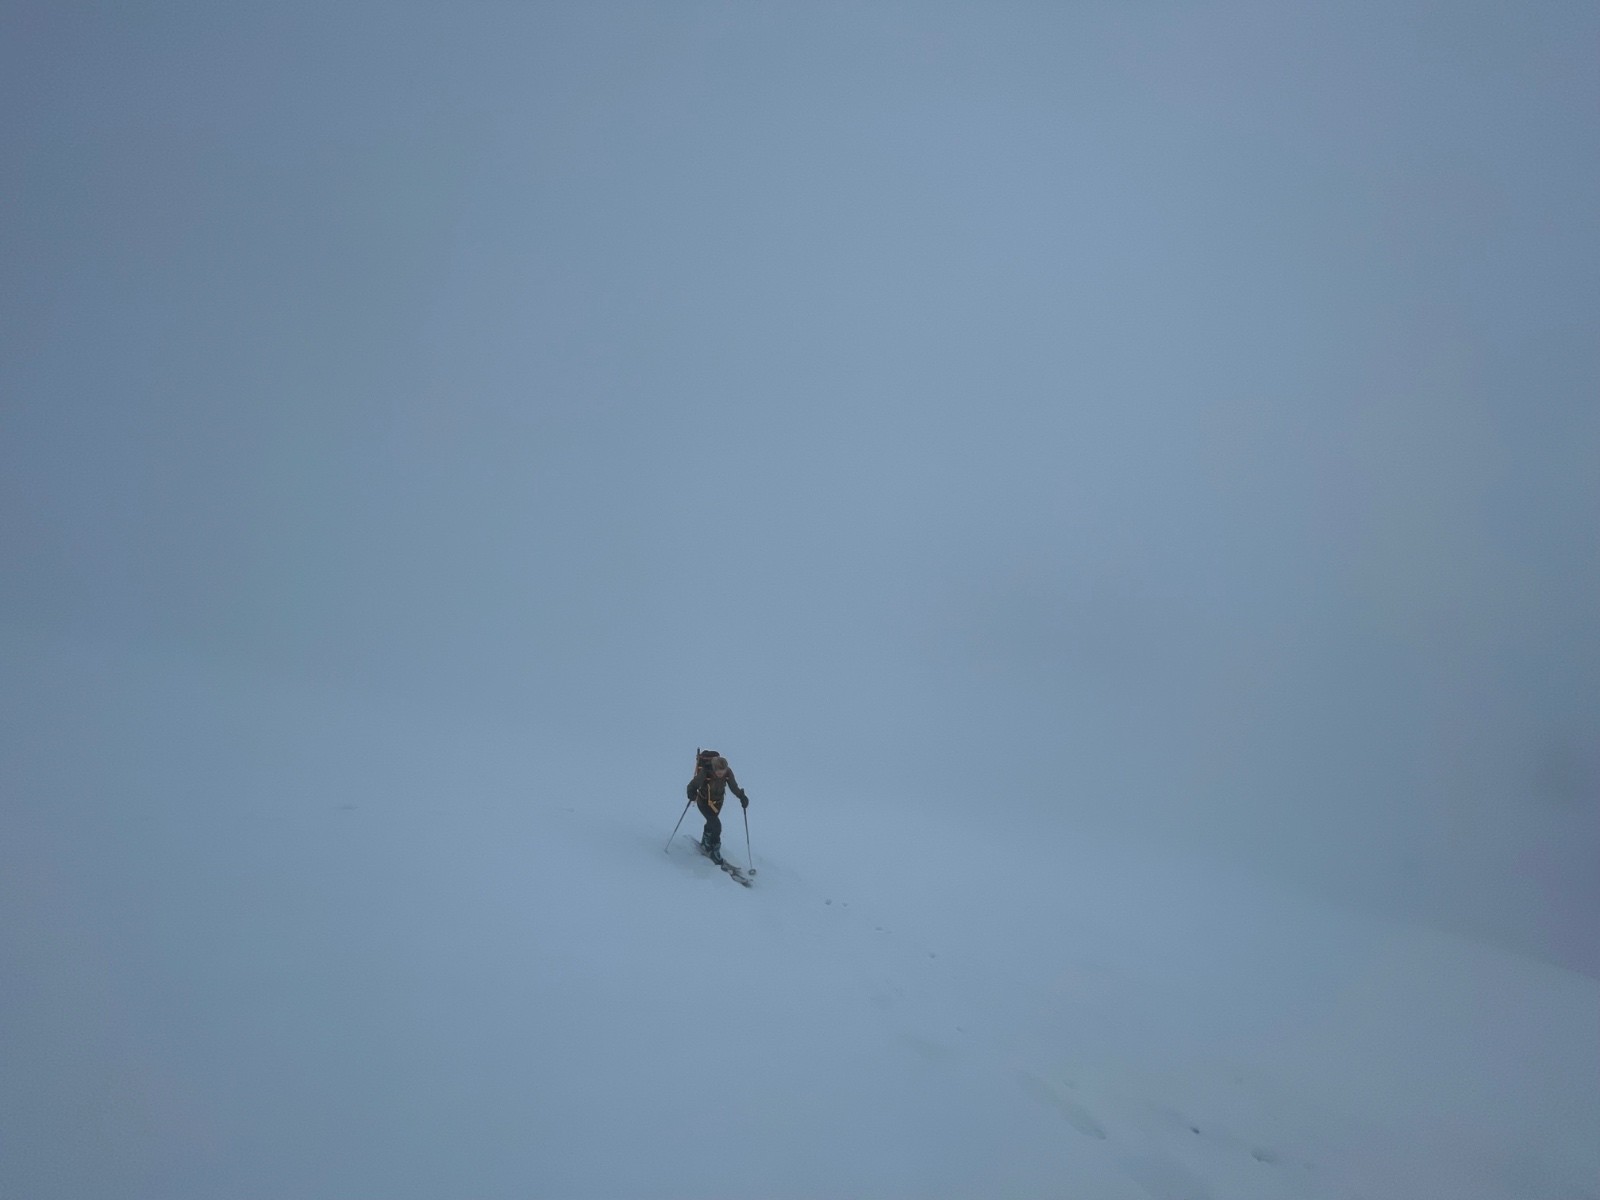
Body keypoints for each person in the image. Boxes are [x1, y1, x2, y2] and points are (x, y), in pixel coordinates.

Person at [687, 753, 748, 861]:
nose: (721, 774)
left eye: (723, 771)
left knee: (711, 822)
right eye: (719, 772)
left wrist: (742, 797)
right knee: (717, 825)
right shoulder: (706, 772)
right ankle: (715, 849)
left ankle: (706, 840)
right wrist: (691, 793)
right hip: (704, 802)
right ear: (714, 769)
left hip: (718, 803)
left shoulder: (728, 772)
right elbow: (693, 785)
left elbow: (733, 787)